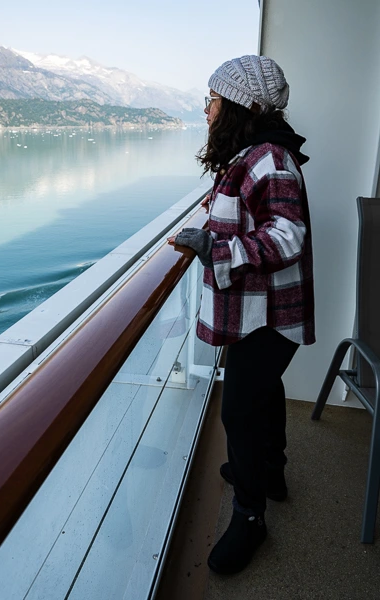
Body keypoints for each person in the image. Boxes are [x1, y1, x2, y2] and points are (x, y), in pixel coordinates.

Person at [167, 55, 315, 574]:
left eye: (211, 100)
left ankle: (250, 518)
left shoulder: (268, 160)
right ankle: (270, 474)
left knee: (238, 410)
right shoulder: (252, 155)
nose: (206, 111)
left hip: (268, 314)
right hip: (262, 311)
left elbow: (287, 235)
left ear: (238, 105)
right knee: (263, 392)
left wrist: (217, 250)